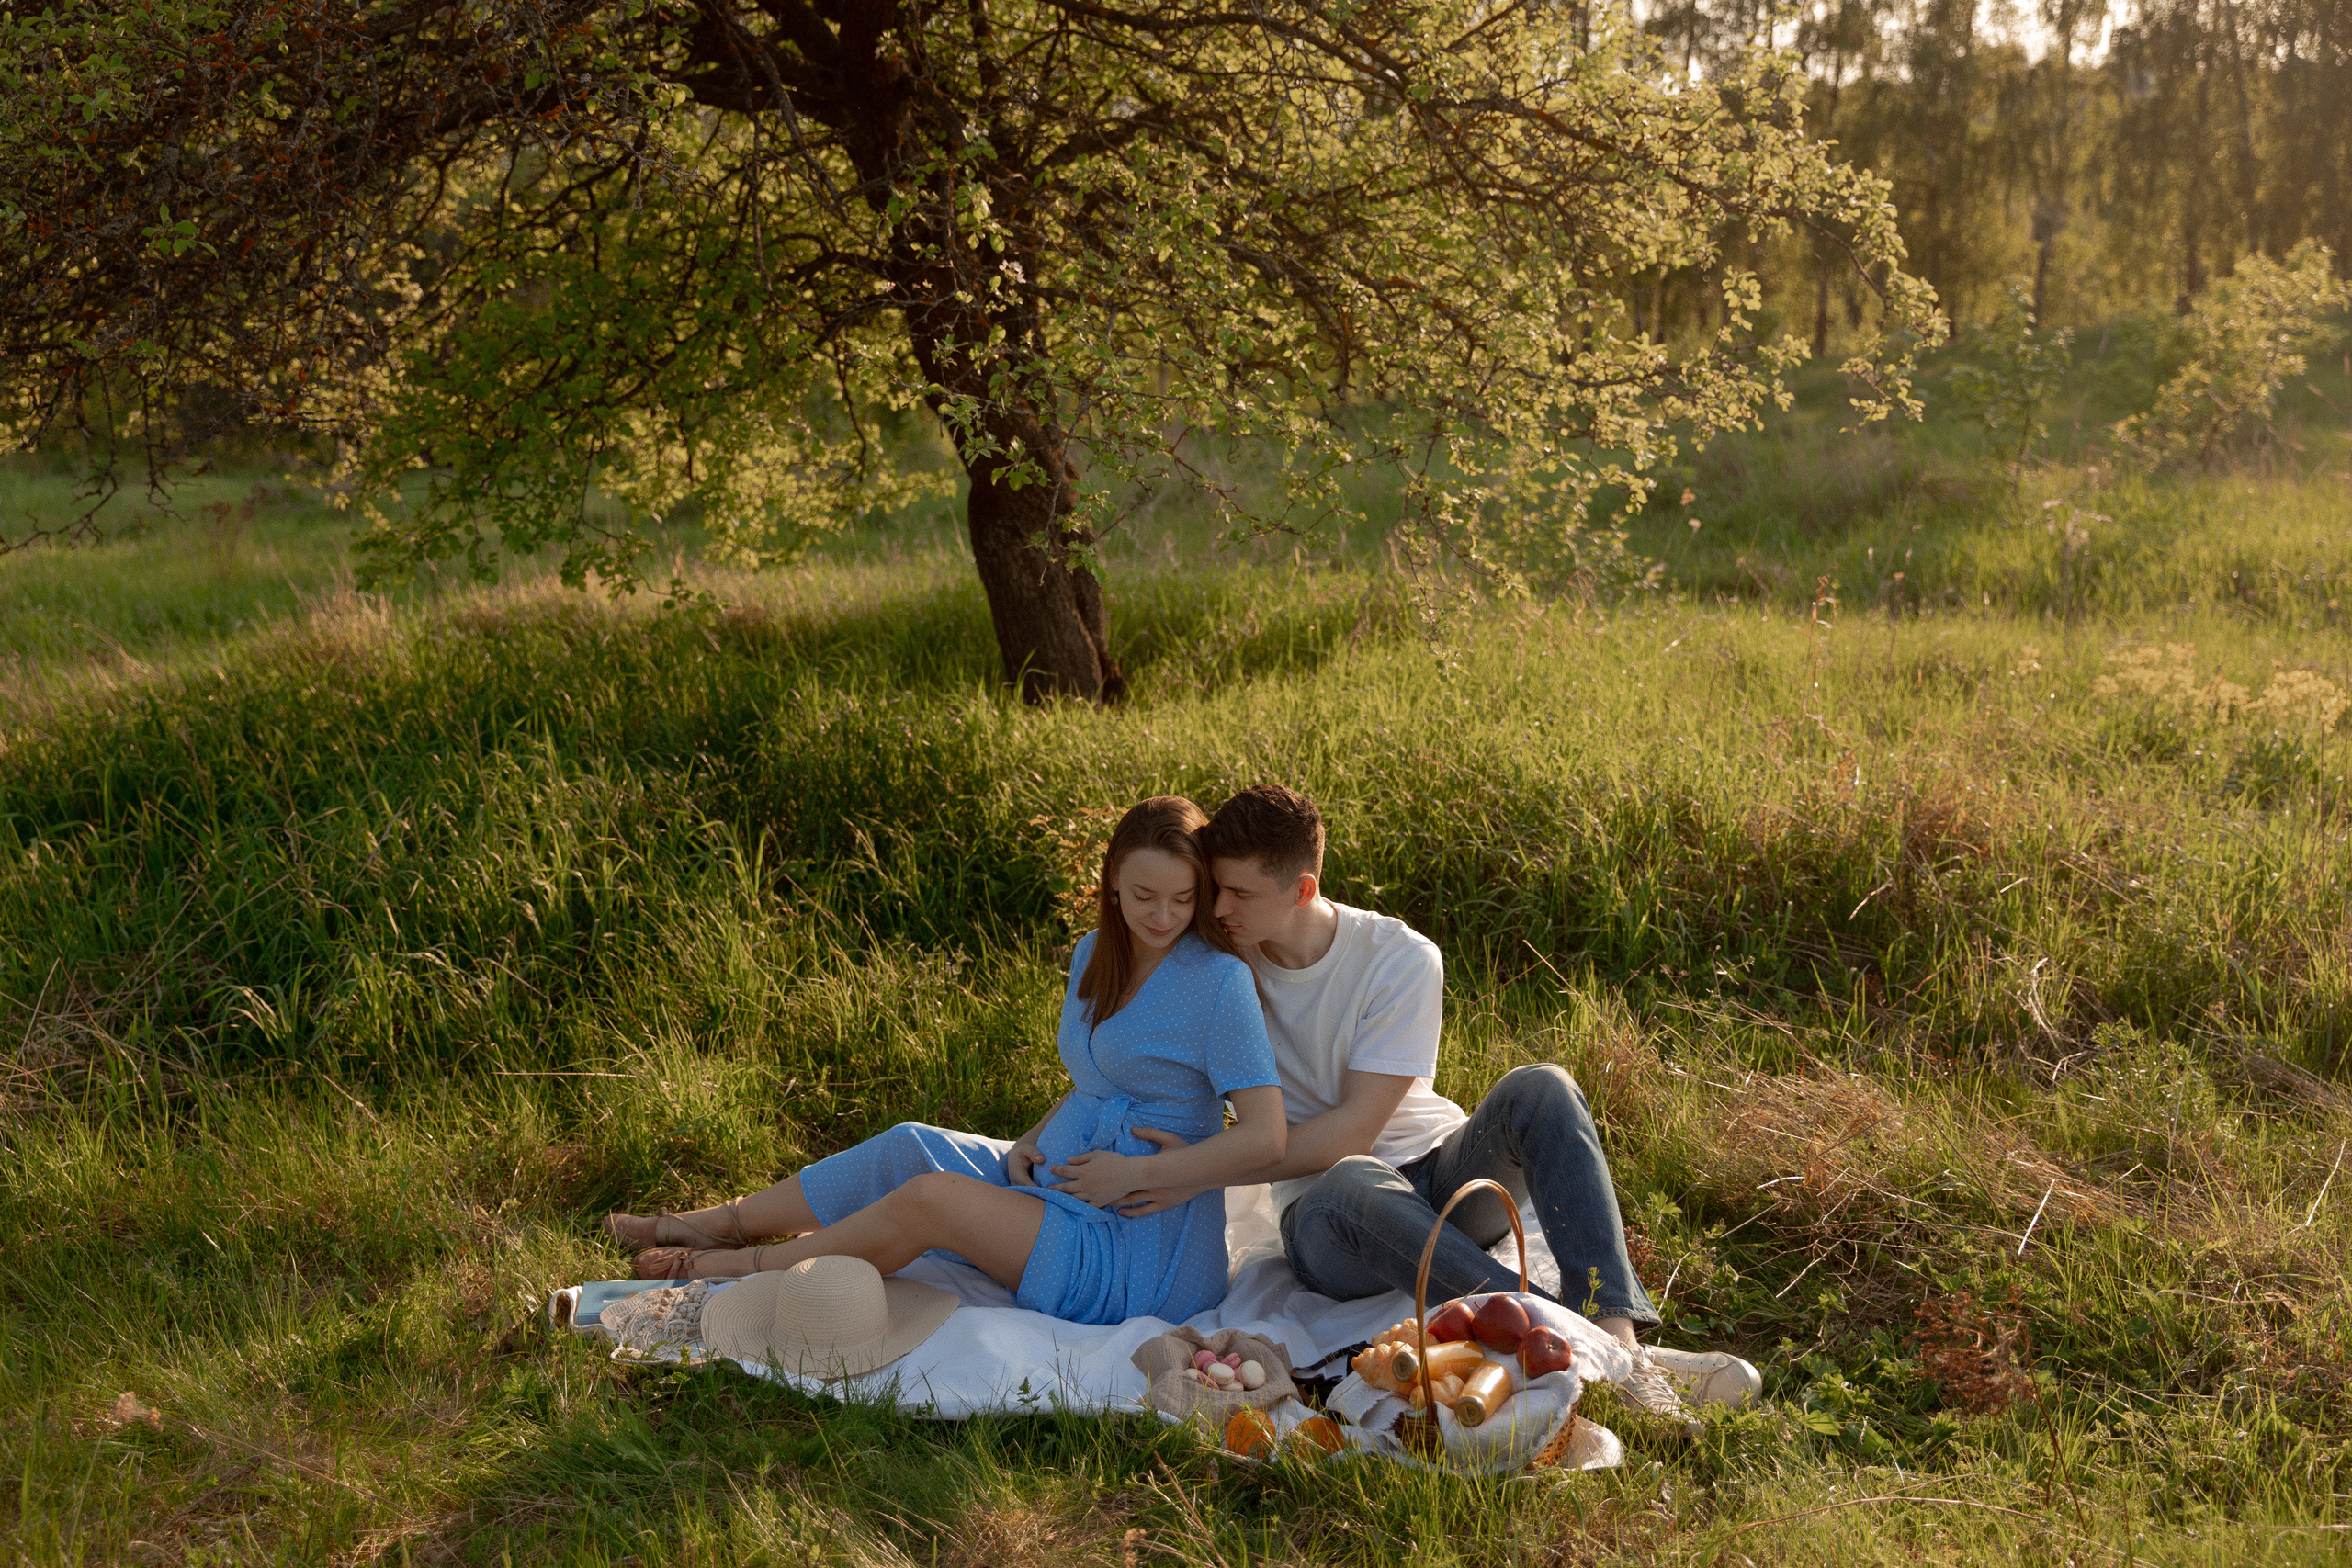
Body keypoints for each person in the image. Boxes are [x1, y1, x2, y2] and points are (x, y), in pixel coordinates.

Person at [1115, 784, 1758, 1413]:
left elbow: (1354, 1129)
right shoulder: (1222, 965)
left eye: (1239, 892)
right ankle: (1587, 1343)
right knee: (1350, 1179)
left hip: (1442, 1179)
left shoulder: (1399, 958)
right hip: (1329, 1218)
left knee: (1543, 1085)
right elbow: (1127, 1057)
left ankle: (1618, 1339)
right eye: (1217, 886)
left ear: (1303, 888)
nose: (1217, 906)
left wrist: (1200, 1167)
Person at [602, 796, 1286, 1326]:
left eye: (1182, 897)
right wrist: (1034, 1137)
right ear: (1111, 884)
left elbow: (1266, 1134)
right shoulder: (1093, 955)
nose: (1163, 914)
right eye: (1144, 895)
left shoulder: (1218, 982)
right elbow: (1099, 1078)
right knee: (908, 1148)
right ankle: (720, 1218)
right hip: (1061, 1186)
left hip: (1140, 1251)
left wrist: (1142, 1172)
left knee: (931, 1200)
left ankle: (732, 1265)